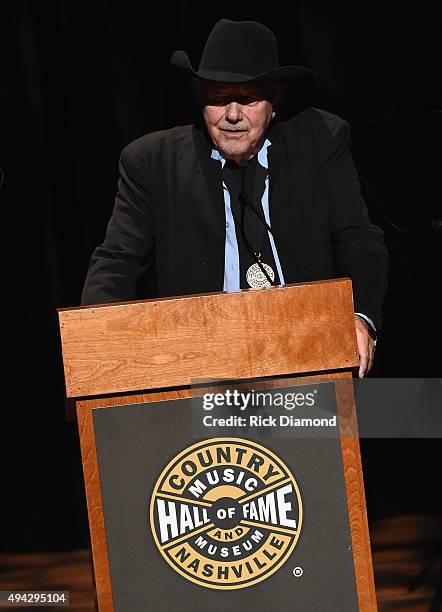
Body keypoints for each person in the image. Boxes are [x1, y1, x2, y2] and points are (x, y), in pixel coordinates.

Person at [81, 19, 388, 378]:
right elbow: (117, 261)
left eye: (246, 98)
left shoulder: (320, 140)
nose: (231, 114)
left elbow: (359, 238)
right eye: (218, 97)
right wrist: (93, 343)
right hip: (200, 367)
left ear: (274, 101)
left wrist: (360, 316)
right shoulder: (151, 162)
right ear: (201, 101)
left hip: (309, 353)